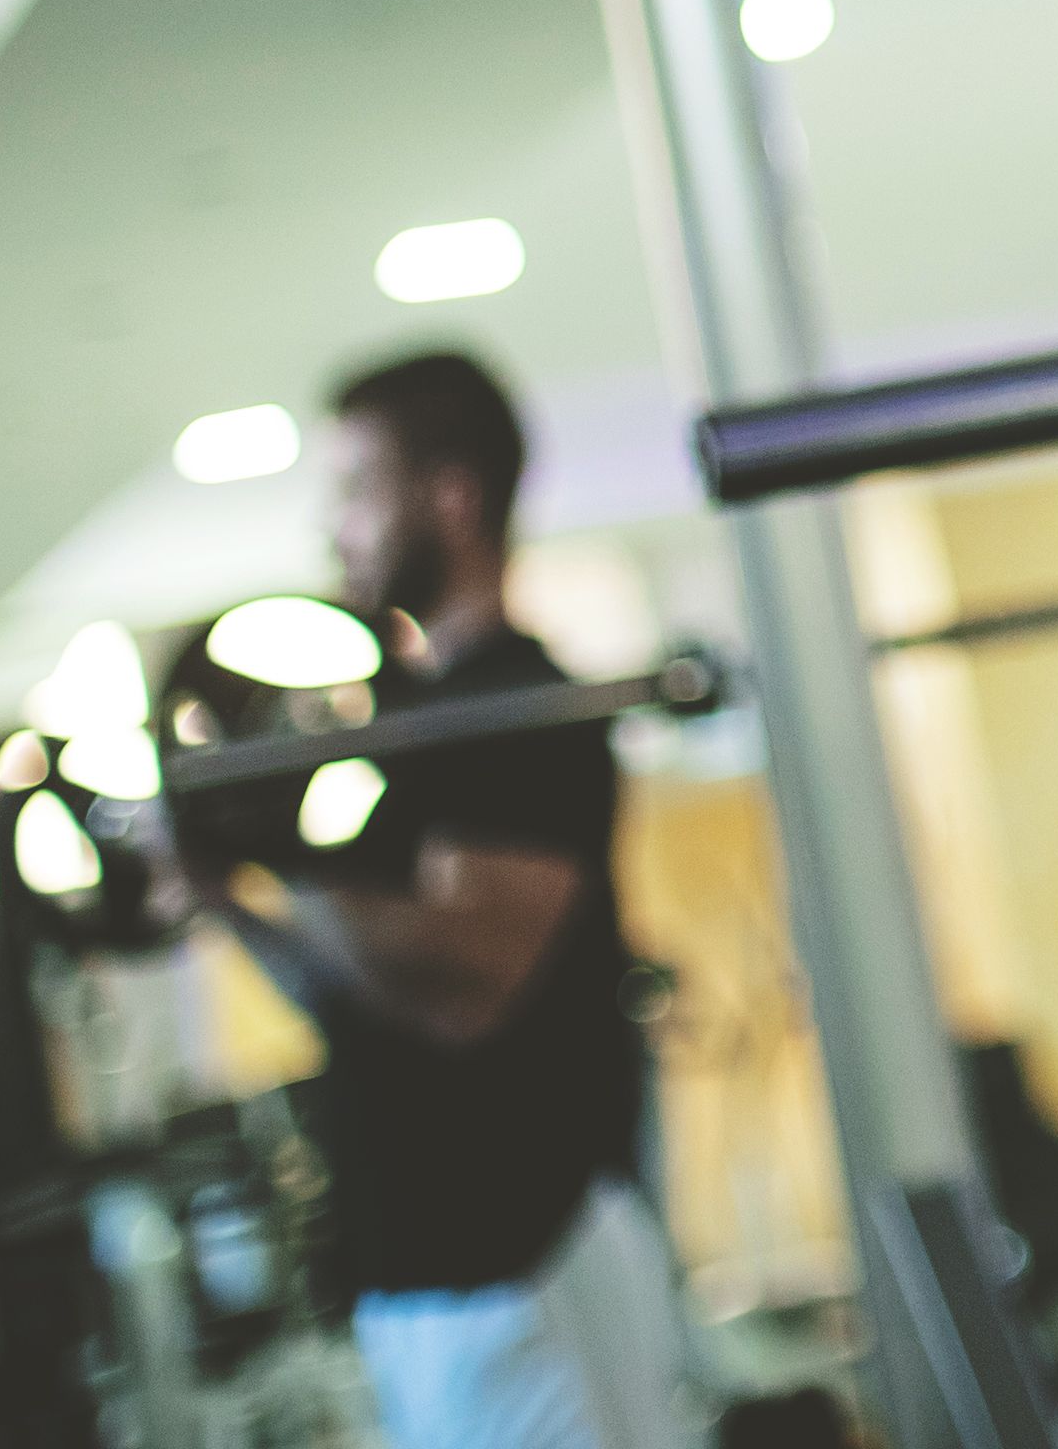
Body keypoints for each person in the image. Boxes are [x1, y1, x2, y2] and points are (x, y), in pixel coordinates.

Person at [180, 350, 684, 1449]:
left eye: (358, 491)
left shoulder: (521, 710)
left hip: (531, 1265)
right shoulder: (412, 735)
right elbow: (360, 991)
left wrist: (278, 851)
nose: (335, 530)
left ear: (452, 497)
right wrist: (219, 891)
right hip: (423, 1288)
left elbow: (465, 980)